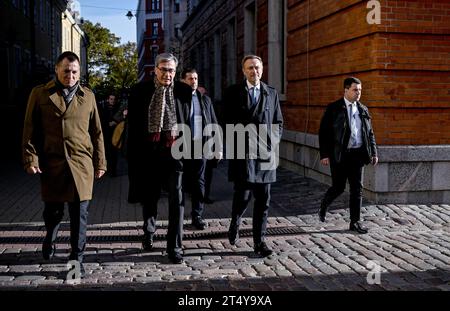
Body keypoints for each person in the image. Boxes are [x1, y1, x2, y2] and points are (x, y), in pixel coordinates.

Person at [22, 51, 106, 277]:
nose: (70, 75)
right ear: (57, 70)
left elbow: (97, 131)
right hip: (53, 164)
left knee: (80, 216)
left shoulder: (87, 96)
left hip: (81, 164)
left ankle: (75, 262)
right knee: (53, 212)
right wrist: (31, 159)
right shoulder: (40, 94)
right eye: (66, 71)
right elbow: (29, 130)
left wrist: (100, 162)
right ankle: (50, 235)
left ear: (79, 73)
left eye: (75, 71)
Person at [127, 53, 192, 264]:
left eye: (171, 70)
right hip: (149, 154)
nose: (167, 74)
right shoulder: (139, 91)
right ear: (155, 69)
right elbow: (133, 128)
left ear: (176, 71)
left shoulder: (184, 91)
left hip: (175, 153)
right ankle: (149, 230)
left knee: (177, 199)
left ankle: (175, 246)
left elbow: (188, 122)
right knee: (150, 197)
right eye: (163, 69)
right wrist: (132, 157)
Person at [224, 55, 283, 257]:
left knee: (263, 199)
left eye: (257, 67)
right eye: (250, 68)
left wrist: (272, 142)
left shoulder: (271, 93)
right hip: (243, 152)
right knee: (243, 195)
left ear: (262, 69)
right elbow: (225, 122)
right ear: (243, 71)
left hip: (265, 153)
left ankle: (260, 241)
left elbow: (278, 122)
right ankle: (235, 221)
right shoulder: (233, 93)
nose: (254, 71)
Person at [318, 77, 378, 234]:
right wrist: (324, 154)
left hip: (358, 154)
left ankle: (355, 222)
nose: (358, 93)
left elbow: (369, 132)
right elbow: (324, 133)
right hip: (340, 154)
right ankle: (324, 204)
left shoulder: (363, 109)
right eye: (355, 90)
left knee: (357, 189)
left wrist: (373, 152)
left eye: (360, 90)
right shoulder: (334, 108)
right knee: (338, 187)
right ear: (345, 90)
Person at [180, 68, 222, 230]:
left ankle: (197, 215)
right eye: (190, 78)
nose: (193, 81)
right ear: (183, 81)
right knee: (180, 182)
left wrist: (218, 147)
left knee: (199, 181)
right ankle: (178, 213)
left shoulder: (205, 100)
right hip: (180, 146)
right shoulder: (177, 98)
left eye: (196, 78)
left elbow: (214, 122)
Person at [100, 94, 120, 176]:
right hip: (106, 133)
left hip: (115, 133)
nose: (113, 101)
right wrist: (108, 123)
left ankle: (113, 171)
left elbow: (121, 118)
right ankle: (107, 169)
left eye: (114, 99)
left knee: (114, 153)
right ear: (108, 100)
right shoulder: (103, 109)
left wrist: (115, 122)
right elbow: (101, 120)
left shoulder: (117, 108)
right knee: (107, 153)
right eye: (111, 99)